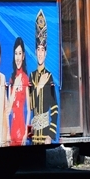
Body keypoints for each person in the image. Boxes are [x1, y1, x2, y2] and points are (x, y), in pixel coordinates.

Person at [29, 10, 58, 144]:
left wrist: (51, 135)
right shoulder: (32, 76)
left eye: (42, 50)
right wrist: (40, 85)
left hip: (45, 132)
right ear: (35, 52)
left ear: (46, 53)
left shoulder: (50, 76)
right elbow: (31, 105)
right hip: (35, 134)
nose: (40, 53)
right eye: (38, 50)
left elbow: (54, 108)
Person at [8, 37, 30, 146]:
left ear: (23, 56)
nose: (17, 57)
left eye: (20, 53)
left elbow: (30, 110)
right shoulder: (12, 79)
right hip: (12, 127)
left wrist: (27, 133)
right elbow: (8, 110)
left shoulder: (26, 79)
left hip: (22, 128)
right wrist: (15, 86)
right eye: (16, 53)